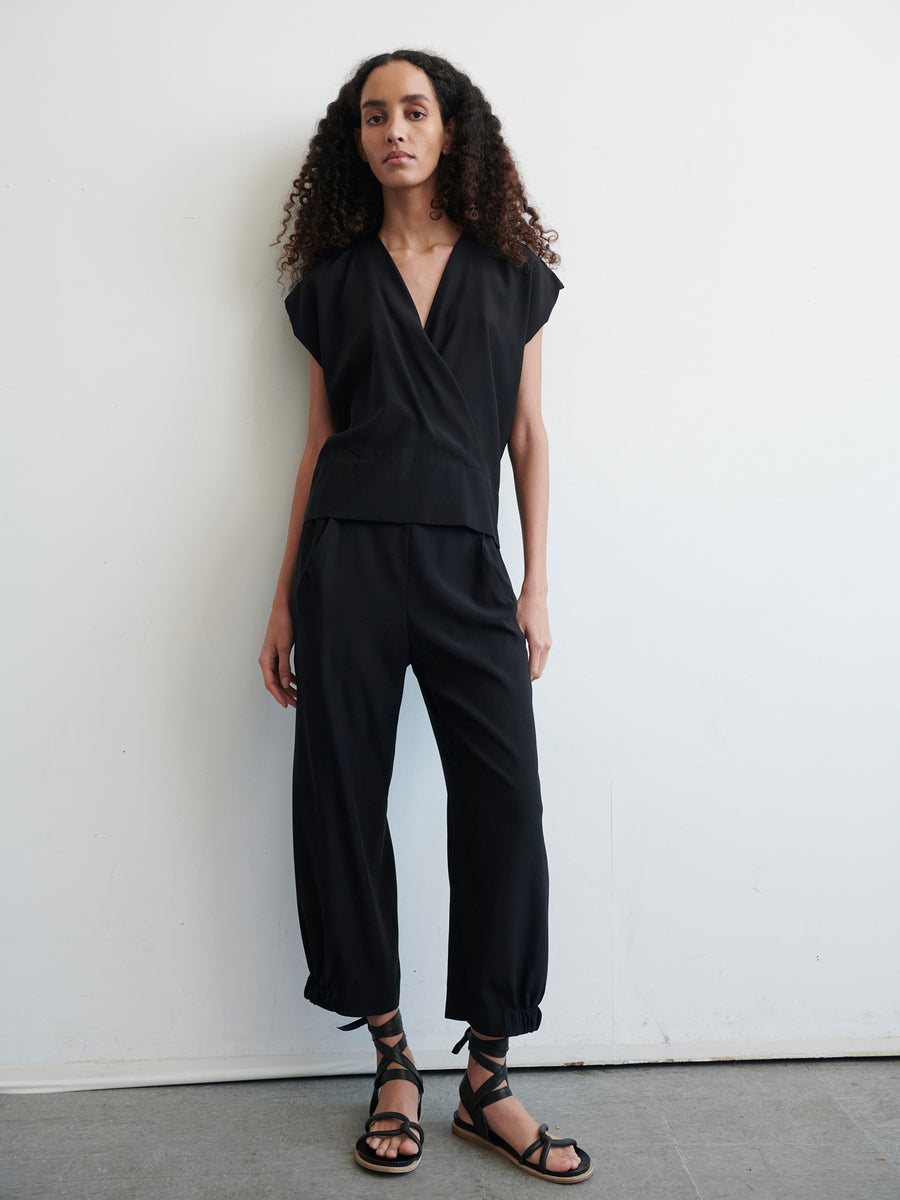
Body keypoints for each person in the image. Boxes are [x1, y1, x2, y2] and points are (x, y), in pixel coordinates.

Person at [259, 49, 592, 1185]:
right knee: (340, 802)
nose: (393, 128)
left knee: (503, 804)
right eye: (372, 115)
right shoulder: (333, 281)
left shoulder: (513, 273)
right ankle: (394, 1061)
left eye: (414, 110)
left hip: (465, 567)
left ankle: (487, 1075)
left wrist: (536, 584)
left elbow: (529, 436)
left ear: (453, 129)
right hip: (345, 563)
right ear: (353, 141)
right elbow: (314, 448)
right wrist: (280, 602)